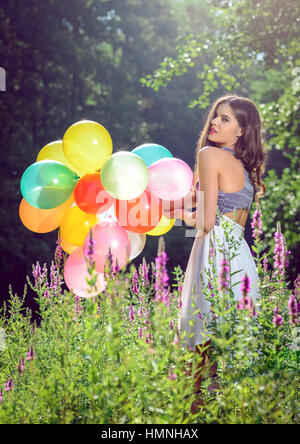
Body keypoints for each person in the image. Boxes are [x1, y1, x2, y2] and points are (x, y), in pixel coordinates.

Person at [162, 94, 267, 413]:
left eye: (225, 119)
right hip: (240, 256)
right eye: (215, 116)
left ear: (240, 130)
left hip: (214, 253)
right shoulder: (245, 167)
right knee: (226, 354)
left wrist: (177, 216)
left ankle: (193, 417)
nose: (214, 122)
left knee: (200, 350)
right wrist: (169, 208)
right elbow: (212, 211)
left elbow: (205, 221)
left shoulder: (209, 155)